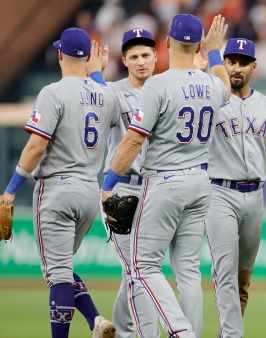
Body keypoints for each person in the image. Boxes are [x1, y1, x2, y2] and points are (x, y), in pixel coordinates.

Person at [100, 14, 230, 338]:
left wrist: (107, 185)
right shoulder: (212, 83)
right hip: (201, 182)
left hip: (165, 182)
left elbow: (133, 140)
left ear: (167, 43)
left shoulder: (158, 84)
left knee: (143, 267)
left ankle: (180, 331)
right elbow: (226, 86)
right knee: (187, 270)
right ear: (199, 44)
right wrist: (214, 53)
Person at [1, 28, 118, 338]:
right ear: (90, 58)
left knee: (58, 276)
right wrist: (99, 78)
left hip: (57, 189)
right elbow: (120, 117)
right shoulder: (106, 92)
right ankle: (95, 321)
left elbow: (37, 147)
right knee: (62, 269)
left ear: (60, 54)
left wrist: (10, 191)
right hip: (89, 193)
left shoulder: (53, 92)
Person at [204, 37, 266, 338]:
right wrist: (210, 55)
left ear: (253, 67)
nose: (236, 67)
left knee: (243, 280)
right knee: (226, 271)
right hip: (219, 193)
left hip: (254, 196)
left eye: (243, 62)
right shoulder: (212, 100)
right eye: (231, 61)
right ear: (223, 64)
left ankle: (226, 333)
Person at [99, 28, 160, 338]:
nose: (140, 61)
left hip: (155, 188)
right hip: (120, 188)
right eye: (134, 56)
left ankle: (114, 331)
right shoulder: (112, 91)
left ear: (156, 56)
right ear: (124, 60)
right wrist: (93, 77)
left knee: (136, 271)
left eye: (145, 55)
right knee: (139, 270)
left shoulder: (165, 89)